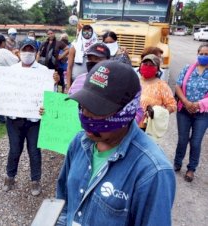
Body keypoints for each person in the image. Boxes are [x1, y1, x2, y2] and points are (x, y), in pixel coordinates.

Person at [56, 60, 175, 225]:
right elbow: (64, 201)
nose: (86, 117)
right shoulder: (79, 142)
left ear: (127, 111)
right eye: (83, 106)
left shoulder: (153, 172)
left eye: (97, 110)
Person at [2, 38, 60, 196]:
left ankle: (35, 181)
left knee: (34, 151)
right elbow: (2, 92)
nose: (27, 53)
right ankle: (10, 176)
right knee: (14, 150)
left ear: (36, 52)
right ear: (18, 52)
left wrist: (55, 83)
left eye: (31, 50)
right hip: (14, 119)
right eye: (24, 50)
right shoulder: (10, 71)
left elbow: (51, 96)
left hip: (35, 120)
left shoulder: (44, 72)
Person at [174, 43, 208, 182]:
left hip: (203, 113)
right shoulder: (188, 68)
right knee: (182, 139)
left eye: (207, 54)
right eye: (201, 53)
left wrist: (198, 104)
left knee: (195, 142)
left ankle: (191, 169)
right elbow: (178, 85)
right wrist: (186, 102)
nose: (204, 56)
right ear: (197, 53)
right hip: (184, 110)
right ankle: (177, 163)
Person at [138, 54, 176, 130]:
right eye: (145, 64)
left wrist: (159, 114)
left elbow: (172, 105)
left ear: (157, 69)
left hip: (149, 127)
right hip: (130, 125)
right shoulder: (135, 81)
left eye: (151, 65)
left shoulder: (162, 86)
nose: (148, 67)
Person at [0, 33, 20, 123]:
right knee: (8, 98)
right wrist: (16, 54)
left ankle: (1, 118)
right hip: (7, 79)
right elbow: (16, 61)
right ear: (2, 42)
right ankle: (10, 116)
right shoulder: (3, 51)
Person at [65, 25, 98, 92]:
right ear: (81, 32)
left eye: (89, 31)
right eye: (85, 31)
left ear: (92, 32)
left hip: (93, 84)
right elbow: (69, 67)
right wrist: (68, 86)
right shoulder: (74, 47)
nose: (87, 33)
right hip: (76, 84)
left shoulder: (97, 46)